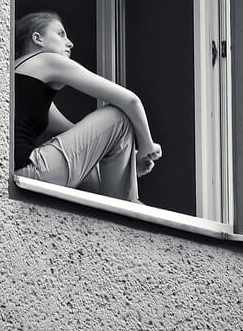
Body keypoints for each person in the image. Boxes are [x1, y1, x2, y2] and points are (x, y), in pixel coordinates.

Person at [13, 11, 162, 202]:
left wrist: (128, 160)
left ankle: (124, 209)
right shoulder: (46, 60)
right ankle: (125, 214)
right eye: (60, 34)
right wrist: (147, 146)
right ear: (38, 39)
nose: (70, 43)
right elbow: (130, 101)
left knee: (92, 169)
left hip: (22, 174)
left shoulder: (20, 78)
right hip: (31, 171)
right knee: (117, 117)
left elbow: (80, 137)